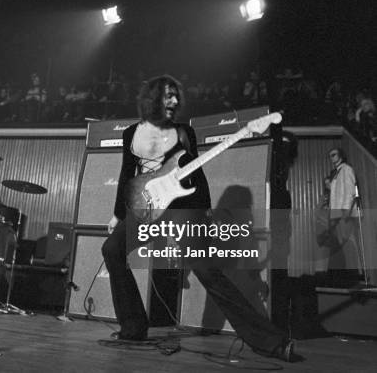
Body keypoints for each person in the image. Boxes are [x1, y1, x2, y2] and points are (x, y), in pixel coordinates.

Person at [101, 74, 297, 362]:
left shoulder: (183, 133)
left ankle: (271, 342)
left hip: (181, 208)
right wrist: (119, 214)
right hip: (147, 206)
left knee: (206, 269)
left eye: (176, 96)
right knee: (112, 249)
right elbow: (126, 176)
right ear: (152, 98)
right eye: (168, 95)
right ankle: (133, 327)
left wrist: (203, 213)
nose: (175, 101)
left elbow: (197, 176)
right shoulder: (131, 133)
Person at [323, 147, 361, 285]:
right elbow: (336, 193)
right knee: (340, 246)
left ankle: (353, 276)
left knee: (348, 244)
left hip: (343, 214)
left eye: (333, 154)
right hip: (336, 214)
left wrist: (345, 212)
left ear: (341, 155)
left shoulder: (346, 170)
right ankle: (344, 276)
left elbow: (350, 192)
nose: (331, 158)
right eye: (330, 155)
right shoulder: (337, 173)